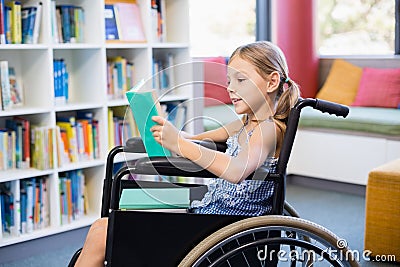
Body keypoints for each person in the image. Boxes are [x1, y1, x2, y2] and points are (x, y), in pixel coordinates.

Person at [74, 41, 300, 267]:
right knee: (102, 229)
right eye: (229, 81)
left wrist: (180, 144)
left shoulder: (268, 129)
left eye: (241, 80)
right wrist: (173, 136)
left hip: (224, 233)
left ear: (272, 81)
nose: (231, 88)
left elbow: (236, 170)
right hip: (208, 216)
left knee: (103, 232)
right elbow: (207, 136)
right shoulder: (247, 122)